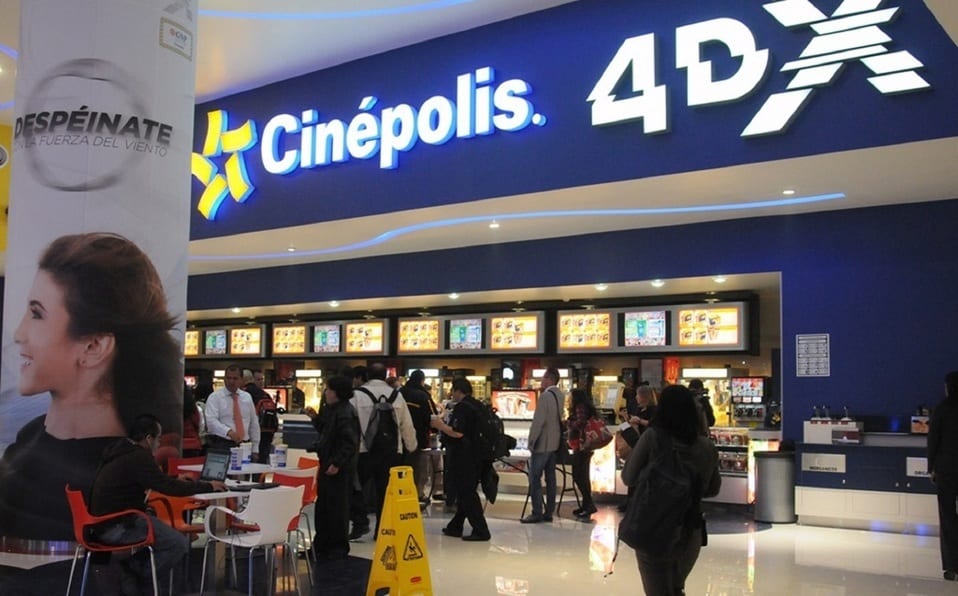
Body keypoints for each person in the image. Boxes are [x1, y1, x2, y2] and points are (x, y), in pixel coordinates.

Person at [0, 233, 182, 544]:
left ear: (94, 346)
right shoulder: (27, 439)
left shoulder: (111, 464)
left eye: (36, 314)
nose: (19, 333)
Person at [90, 414, 226, 594]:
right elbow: (167, 487)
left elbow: (156, 480)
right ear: (148, 438)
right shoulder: (138, 457)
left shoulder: (120, 451)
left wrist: (173, 479)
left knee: (161, 537)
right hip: (119, 526)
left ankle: (134, 573)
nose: (159, 443)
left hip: (101, 525)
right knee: (177, 543)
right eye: (158, 438)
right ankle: (140, 578)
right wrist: (208, 486)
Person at [622, 384, 721, 596]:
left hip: (653, 525)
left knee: (657, 590)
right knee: (675, 588)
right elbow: (713, 489)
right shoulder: (706, 447)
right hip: (689, 528)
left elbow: (628, 477)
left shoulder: (653, 437)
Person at [353, 363, 417, 534]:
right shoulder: (396, 396)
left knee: (355, 488)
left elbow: (350, 425)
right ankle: (382, 530)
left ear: (367, 375)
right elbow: (406, 424)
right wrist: (411, 446)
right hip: (391, 451)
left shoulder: (357, 395)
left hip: (363, 451)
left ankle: (360, 521)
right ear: (385, 376)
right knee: (385, 492)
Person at [431, 377, 491, 541]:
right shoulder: (478, 405)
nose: (452, 394)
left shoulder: (462, 408)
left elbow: (457, 433)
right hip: (478, 455)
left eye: (453, 391)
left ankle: (481, 530)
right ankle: (455, 526)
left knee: (466, 492)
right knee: (466, 491)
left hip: (465, 456)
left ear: (458, 391)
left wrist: (440, 425)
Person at [309, 376, 360, 562]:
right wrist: (316, 419)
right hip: (330, 464)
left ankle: (336, 547)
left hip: (337, 468)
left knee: (336, 508)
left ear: (337, 392)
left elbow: (349, 442)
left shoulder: (345, 412)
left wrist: (337, 463)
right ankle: (322, 545)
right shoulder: (336, 410)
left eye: (329, 389)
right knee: (325, 507)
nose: (326, 393)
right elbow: (329, 433)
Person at [521, 367, 563, 524]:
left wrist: (531, 440)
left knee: (535, 477)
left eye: (544, 378)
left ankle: (536, 512)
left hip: (542, 443)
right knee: (550, 478)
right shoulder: (560, 395)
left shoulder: (545, 396)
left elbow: (539, 421)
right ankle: (549, 511)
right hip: (554, 443)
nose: (542, 381)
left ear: (550, 379)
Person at [928, 370, 958, 581]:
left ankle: (951, 567)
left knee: (947, 518)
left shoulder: (942, 409)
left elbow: (933, 440)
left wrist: (932, 467)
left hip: (946, 470)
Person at [204, 364, 260, 457]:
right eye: (228, 378)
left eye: (235, 378)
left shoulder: (247, 397)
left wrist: (255, 448)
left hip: (245, 444)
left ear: (241, 380)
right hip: (223, 443)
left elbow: (253, 423)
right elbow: (211, 422)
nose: (231, 381)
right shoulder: (215, 397)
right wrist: (228, 432)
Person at [402, 370, 434, 507]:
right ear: (422, 380)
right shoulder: (423, 395)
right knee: (418, 468)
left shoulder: (399, 393)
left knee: (401, 466)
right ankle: (417, 493)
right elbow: (432, 416)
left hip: (399, 438)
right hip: (419, 437)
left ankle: (401, 493)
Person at [566, 388, 599, 521]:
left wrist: (568, 423)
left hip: (581, 446)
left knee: (579, 476)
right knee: (583, 476)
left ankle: (588, 504)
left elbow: (580, 423)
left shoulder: (580, 407)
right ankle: (586, 504)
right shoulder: (585, 407)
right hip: (584, 446)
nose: (568, 399)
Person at [243, 368, 274, 461]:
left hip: (252, 435)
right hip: (267, 434)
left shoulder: (244, 395)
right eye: (258, 379)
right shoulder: (266, 395)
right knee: (262, 462)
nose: (261, 382)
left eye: (262, 379)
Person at [182, 383, 204, 457]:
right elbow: (201, 428)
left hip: (177, 446)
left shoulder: (172, 411)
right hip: (194, 446)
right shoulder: (197, 410)